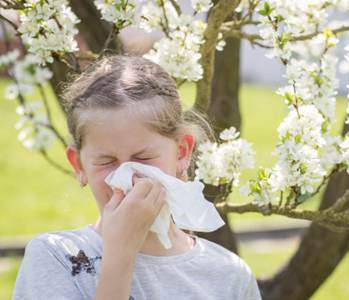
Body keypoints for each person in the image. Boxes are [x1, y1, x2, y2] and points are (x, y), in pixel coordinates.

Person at [12, 55, 261, 300]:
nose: (127, 177)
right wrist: (120, 253)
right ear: (79, 164)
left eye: (143, 158)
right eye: (107, 161)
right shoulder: (56, 258)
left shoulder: (229, 275)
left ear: (182, 152)